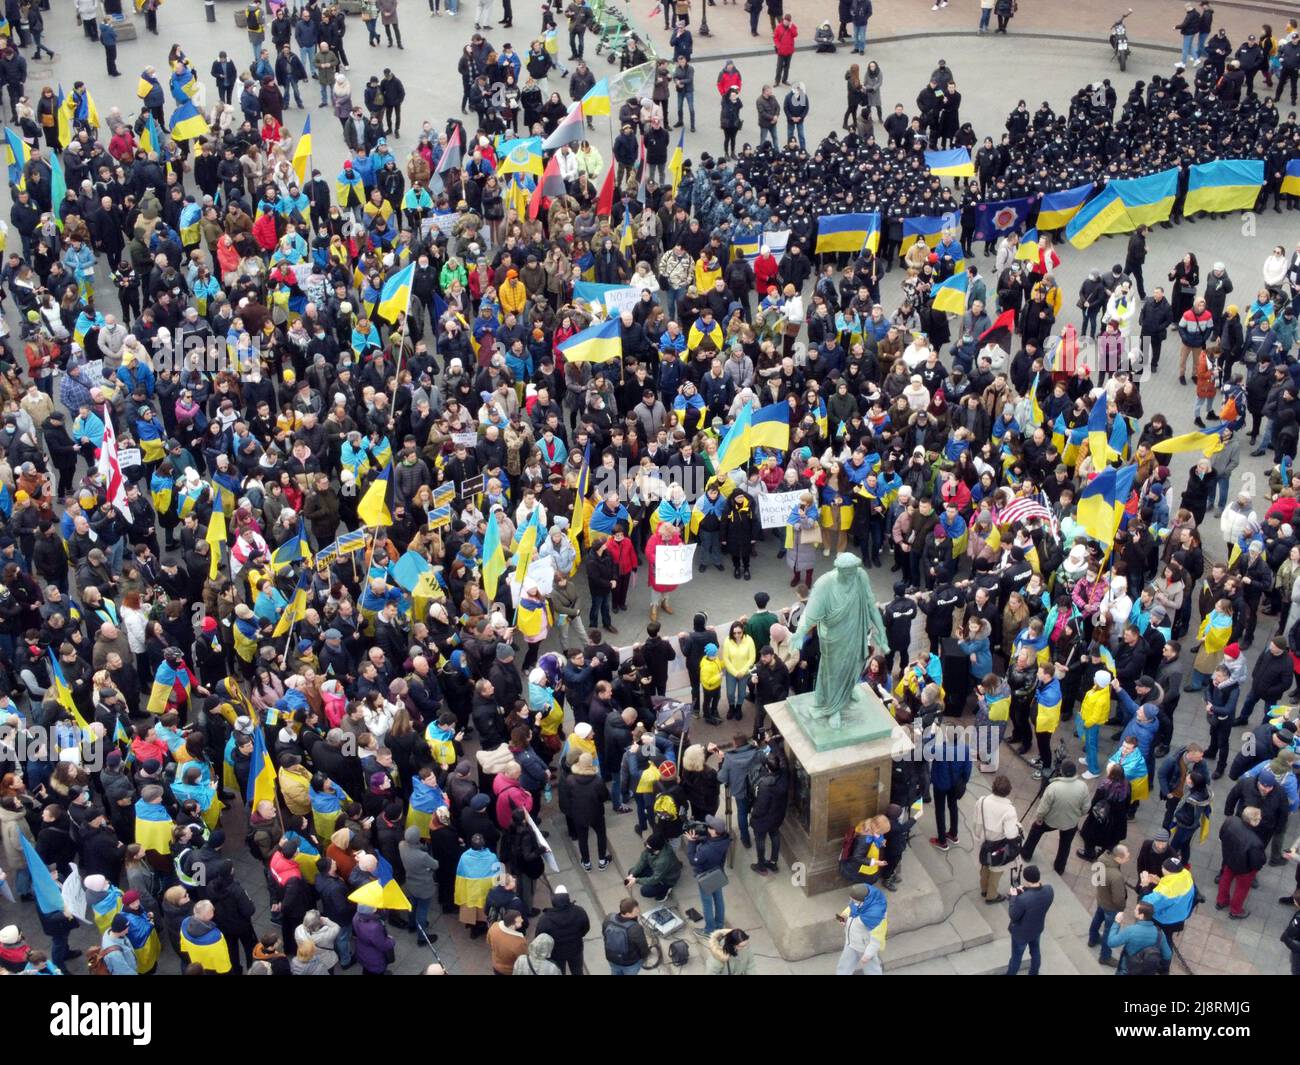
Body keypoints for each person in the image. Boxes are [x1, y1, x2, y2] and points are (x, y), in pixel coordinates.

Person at [1021, 761, 1089, 875]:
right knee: (1065, 845)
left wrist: (1039, 818)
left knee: (1035, 831)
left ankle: (1026, 854)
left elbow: (1043, 807)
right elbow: (1086, 807)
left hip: (1050, 820)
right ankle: (1059, 867)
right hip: (1071, 822)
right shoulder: (1083, 786)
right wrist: (1077, 815)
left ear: (1061, 772)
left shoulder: (1053, 787)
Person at [972, 775, 1021, 904]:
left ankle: (984, 889)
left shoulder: (982, 801)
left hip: (983, 840)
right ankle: (991, 896)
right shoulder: (1009, 810)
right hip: (999, 845)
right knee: (996, 870)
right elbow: (1011, 835)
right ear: (1008, 791)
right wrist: (1017, 827)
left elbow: (976, 820)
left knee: (984, 864)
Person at [1006, 864, 1054, 976]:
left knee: (1016, 958)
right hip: (1037, 929)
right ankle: (1034, 972)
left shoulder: (1022, 899)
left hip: (1021, 934)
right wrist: (1025, 889)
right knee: (1035, 952)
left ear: (1026, 880)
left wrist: (1013, 897)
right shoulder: (1049, 890)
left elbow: (1013, 915)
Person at [687, 814, 731, 937]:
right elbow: (709, 840)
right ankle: (719, 924)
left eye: (709, 827)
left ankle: (709, 930)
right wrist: (698, 838)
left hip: (706, 876)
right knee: (719, 899)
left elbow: (693, 860)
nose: (707, 828)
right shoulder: (724, 839)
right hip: (717, 873)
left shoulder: (706, 851)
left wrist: (691, 843)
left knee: (707, 903)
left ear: (714, 831)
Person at [1089, 844, 1130, 968]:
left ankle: (1093, 938)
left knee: (1097, 919)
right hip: (1111, 907)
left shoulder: (1102, 859)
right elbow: (1118, 899)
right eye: (1127, 853)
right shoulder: (1116, 876)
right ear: (1118, 858)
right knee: (1109, 931)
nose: (1129, 855)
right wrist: (1121, 909)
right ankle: (1105, 956)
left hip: (1101, 898)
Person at [535, 884, 590, 975]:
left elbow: (540, 938)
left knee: (559, 972)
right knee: (577, 971)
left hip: (556, 953)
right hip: (575, 949)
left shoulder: (546, 919)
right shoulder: (579, 911)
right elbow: (586, 928)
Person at [1107, 900, 1173, 974]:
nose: (1134, 910)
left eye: (1136, 909)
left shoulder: (1131, 930)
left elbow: (1111, 942)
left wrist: (1116, 922)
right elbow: (1168, 955)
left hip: (1127, 969)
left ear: (1141, 915)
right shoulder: (1159, 933)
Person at [835, 882, 887, 974]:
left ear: (862, 901)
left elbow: (877, 938)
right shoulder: (857, 903)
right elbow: (850, 910)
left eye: (853, 900)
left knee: (872, 969)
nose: (850, 901)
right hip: (850, 943)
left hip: (864, 947)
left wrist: (868, 954)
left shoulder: (875, 917)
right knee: (844, 965)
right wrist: (843, 918)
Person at [625, 832, 683, 899]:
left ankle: (665, 890)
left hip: (666, 879)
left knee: (645, 891)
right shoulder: (652, 847)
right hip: (655, 869)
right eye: (646, 845)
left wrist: (636, 880)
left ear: (656, 849)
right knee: (631, 871)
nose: (647, 848)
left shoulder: (663, 860)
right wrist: (632, 874)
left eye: (649, 848)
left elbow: (655, 880)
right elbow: (642, 861)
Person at [602, 898, 651, 975]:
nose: (638, 911)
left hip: (612, 958)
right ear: (627, 914)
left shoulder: (609, 918)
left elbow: (605, 935)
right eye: (636, 911)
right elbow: (643, 947)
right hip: (630, 963)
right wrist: (645, 957)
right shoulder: (635, 928)